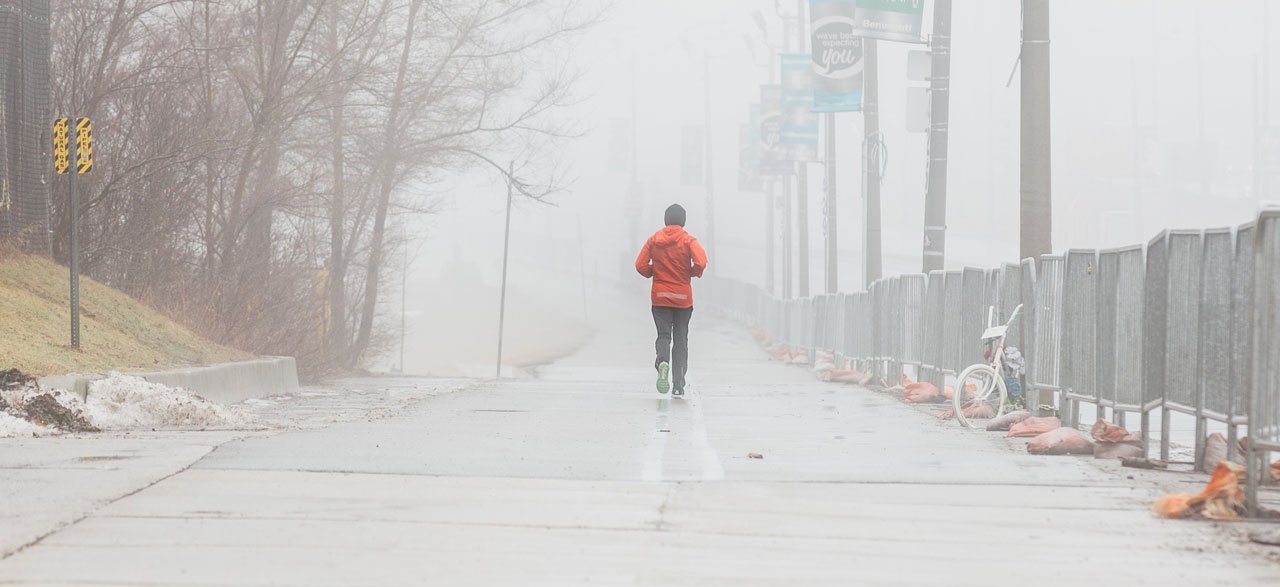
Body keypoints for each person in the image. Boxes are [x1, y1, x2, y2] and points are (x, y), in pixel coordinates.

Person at [634, 204, 708, 396]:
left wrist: (653, 272)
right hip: (683, 300)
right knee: (681, 339)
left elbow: (640, 265)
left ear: (665, 219)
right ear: (683, 220)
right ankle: (678, 383)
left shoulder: (654, 239)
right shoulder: (689, 240)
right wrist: (692, 272)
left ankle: (663, 362)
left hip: (660, 298)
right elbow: (701, 262)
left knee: (664, 336)